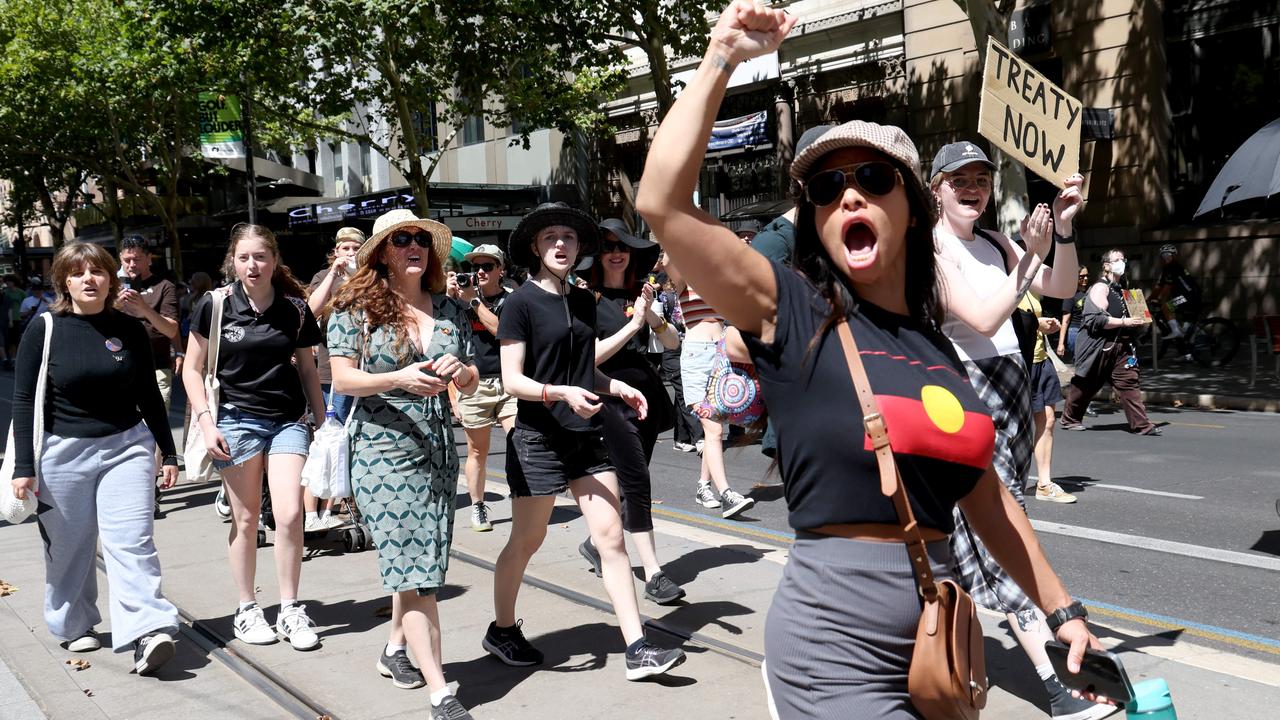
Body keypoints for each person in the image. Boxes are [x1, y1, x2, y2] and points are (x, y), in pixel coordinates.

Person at [635, 4, 1109, 717]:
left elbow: (988, 500)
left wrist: (1060, 608)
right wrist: (720, 57)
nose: (848, 191)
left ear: (912, 207)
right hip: (833, 651)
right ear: (818, 220)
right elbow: (663, 203)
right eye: (826, 188)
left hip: (940, 645)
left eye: (872, 178)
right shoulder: (791, 310)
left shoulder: (934, 343)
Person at [930, 143, 1116, 720]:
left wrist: (1059, 229)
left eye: (981, 178)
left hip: (1010, 389)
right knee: (1002, 532)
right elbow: (983, 317)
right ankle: (1057, 681)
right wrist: (1027, 259)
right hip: (967, 397)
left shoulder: (991, 241)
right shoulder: (928, 249)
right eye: (958, 179)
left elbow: (1059, 285)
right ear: (935, 187)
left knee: (988, 533)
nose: (972, 188)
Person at [485, 201, 686, 680]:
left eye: (569, 238)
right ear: (535, 247)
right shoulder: (518, 304)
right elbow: (513, 380)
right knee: (526, 540)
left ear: (578, 250)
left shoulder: (580, 300)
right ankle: (502, 629)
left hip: (585, 435)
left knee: (611, 537)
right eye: (551, 237)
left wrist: (616, 385)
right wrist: (558, 393)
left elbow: (582, 370)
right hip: (538, 436)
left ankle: (637, 647)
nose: (560, 244)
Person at [328, 209, 479, 719]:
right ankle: (441, 691)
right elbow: (343, 380)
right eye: (401, 240)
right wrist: (398, 378)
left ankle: (395, 650)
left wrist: (464, 374)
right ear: (382, 254)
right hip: (382, 455)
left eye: (420, 239)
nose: (414, 246)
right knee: (417, 575)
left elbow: (473, 377)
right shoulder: (355, 309)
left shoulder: (452, 312)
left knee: (421, 564)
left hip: (438, 452)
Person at [10, 242, 180, 676]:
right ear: (64, 281)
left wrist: (169, 452)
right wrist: (23, 468)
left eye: (97, 271)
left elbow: (149, 396)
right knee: (70, 547)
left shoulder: (130, 329)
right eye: (78, 272)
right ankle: (74, 621)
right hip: (62, 454)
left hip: (127, 447)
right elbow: (24, 399)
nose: (89, 279)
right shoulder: (44, 327)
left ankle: (148, 628)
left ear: (111, 278)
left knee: (132, 541)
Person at [182, 223, 327, 651]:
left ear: (274, 260)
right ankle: (247, 609)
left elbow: (306, 369)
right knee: (245, 520)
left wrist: (324, 425)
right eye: (244, 257)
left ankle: (290, 608)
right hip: (235, 422)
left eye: (260, 257)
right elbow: (192, 368)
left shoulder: (296, 309)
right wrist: (207, 423)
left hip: (287, 421)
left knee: (289, 515)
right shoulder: (215, 305)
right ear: (233, 261)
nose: (253, 265)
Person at [577, 218, 685, 605]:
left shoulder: (641, 294)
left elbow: (672, 341)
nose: (616, 252)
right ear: (597, 255)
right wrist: (632, 326)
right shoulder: (585, 298)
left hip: (648, 396)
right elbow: (586, 358)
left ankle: (595, 543)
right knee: (637, 480)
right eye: (607, 246)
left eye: (622, 245)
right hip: (610, 396)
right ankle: (654, 572)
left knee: (627, 481)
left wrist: (651, 317)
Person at [664, 254, 755, 520]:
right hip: (696, 355)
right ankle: (727, 493)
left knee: (714, 428)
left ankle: (704, 487)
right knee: (713, 428)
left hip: (723, 353)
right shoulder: (684, 277)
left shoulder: (720, 279)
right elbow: (670, 258)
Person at [447, 243, 517, 532]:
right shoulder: (457, 301)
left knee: (519, 441)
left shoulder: (513, 300)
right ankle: (478, 507)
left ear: (500, 270)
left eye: (488, 266)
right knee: (478, 451)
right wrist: (448, 296)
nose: (480, 272)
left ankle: (523, 497)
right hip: (473, 384)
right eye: (475, 267)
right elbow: (448, 349)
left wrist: (474, 302)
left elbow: (502, 330)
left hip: (510, 381)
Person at [1060, 249, 1161, 435]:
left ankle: (1141, 425)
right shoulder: (1100, 288)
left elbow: (1140, 321)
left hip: (1122, 348)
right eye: (1117, 259)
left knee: (1129, 384)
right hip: (1100, 347)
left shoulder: (1125, 290)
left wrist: (1142, 318)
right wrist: (1124, 322)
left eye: (1123, 259)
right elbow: (1096, 320)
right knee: (1085, 384)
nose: (1122, 262)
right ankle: (1070, 418)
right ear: (1106, 265)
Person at [304, 226, 366, 531]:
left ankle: (344, 497)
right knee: (330, 436)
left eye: (357, 248)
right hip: (331, 371)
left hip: (366, 370)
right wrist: (334, 275)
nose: (351, 253)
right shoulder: (323, 277)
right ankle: (321, 504)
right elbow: (309, 311)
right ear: (336, 252)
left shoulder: (370, 277)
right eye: (345, 248)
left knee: (353, 435)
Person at [116, 236, 181, 518]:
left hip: (155, 365)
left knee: (152, 426)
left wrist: (143, 308)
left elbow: (170, 329)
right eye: (126, 259)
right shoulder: (111, 287)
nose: (131, 264)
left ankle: (149, 490)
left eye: (137, 259)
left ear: (148, 259)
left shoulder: (164, 287)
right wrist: (116, 305)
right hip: (118, 366)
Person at [1019, 292, 1075, 503]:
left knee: (1048, 421)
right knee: (1017, 425)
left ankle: (1044, 483)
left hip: (1041, 360)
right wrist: (1035, 324)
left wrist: (1047, 325)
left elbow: (1061, 285)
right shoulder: (1005, 276)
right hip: (1022, 362)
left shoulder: (1032, 286)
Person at [1149, 243, 1201, 356]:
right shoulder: (1167, 268)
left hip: (1189, 297)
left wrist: (1158, 300)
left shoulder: (1173, 267)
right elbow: (1159, 286)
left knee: (1167, 307)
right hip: (1187, 297)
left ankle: (1176, 331)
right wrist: (1149, 299)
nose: (1166, 257)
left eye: (1168, 254)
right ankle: (1186, 354)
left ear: (1174, 256)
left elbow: (1167, 287)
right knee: (1186, 330)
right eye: (1163, 255)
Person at [1057, 266, 1090, 362]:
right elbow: (1065, 321)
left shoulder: (1090, 292)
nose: (1086, 278)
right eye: (1082, 276)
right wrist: (1060, 343)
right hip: (1075, 332)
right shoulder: (1070, 295)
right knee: (1079, 363)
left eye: (1087, 275)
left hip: (1088, 331)